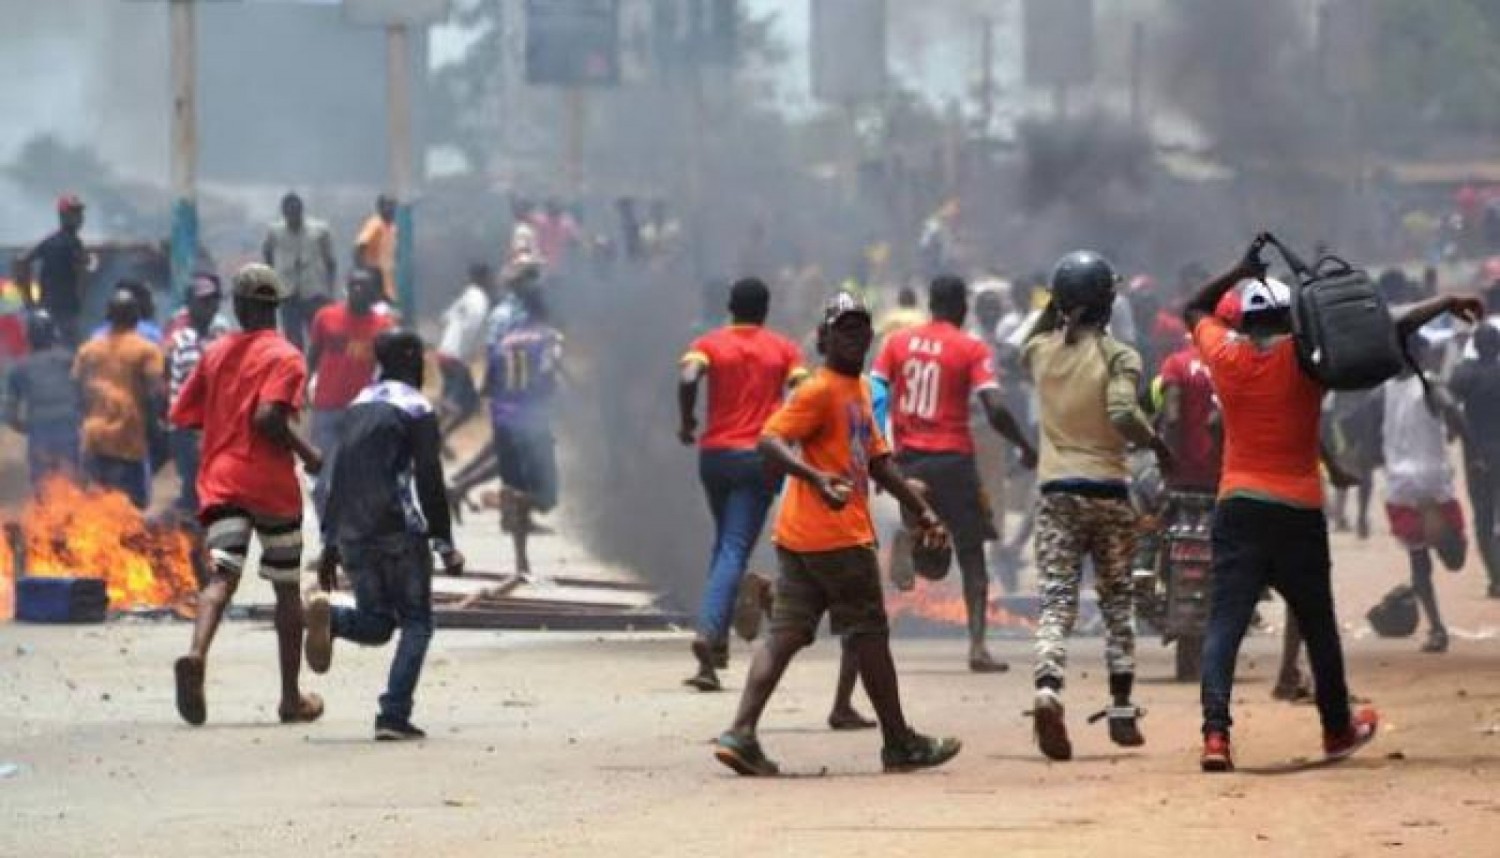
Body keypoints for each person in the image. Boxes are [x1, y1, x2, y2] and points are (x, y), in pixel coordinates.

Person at [1183, 236, 1479, 772]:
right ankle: (1336, 728)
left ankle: (1215, 736)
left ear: (1244, 322)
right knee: (1316, 622)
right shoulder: (1309, 360)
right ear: (1290, 318)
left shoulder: (1223, 354)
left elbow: (1194, 307)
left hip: (1238, 505)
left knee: (1225, 621)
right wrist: (1444, 302)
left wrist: (1237, 269)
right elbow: (1382, 332)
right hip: (1296, 509)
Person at [710, 292, 961, 777]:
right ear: (824, 338)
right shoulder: (818, 390)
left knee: (784, 635)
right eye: (844, 329)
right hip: (837, 539)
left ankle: (740, 733)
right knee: (870, 636)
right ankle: (899, 742)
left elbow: (880, 463)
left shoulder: (862, 390)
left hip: (801, 541)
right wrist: (816, 477)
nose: (855, 337)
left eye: (861, 328)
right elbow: (769, 440)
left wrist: (923, 511)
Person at [1022, 251, 1169, 761]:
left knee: (1057, 601)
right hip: (1107, 490)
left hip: (1057, 493)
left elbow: (1029, 336)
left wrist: (1062, 308)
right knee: (1116, 601)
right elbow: (1124, 411)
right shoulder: (1120, 356)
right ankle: (1122, 709)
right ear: (1108, 303)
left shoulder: (1039, 351)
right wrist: (1157, 445)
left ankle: (1048, 689)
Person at [169, 263, 324, 727]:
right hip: (270, 486)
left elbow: (184, 414)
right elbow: (268, 419)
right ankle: (290, 698)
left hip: (221, 481)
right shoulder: (287, 356)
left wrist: (222, 420)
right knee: (286, 590)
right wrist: (309, 452)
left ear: (237, 307)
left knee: (220, 577)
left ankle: (196, 654)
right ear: (274, 308)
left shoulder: (214, 353)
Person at [305, 330, 465, 741]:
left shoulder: (357, 405)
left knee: (378, 623)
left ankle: (334, 620)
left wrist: (328, 544)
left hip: (353, 532)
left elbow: (334, 475)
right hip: (398, 529)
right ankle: (393, 714)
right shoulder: (415, 408)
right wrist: (444, 543)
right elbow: (429, 477)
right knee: (417, 621)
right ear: (411, 361)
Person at [872, 276, 1037, 673]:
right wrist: (1024, 446)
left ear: (931, 304)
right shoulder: (971, 348)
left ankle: (910, 535)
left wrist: (877, 451)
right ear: (962, 307)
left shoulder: (897, 343)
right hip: (954, 463)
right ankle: (978, 647)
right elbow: (994, 407)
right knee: (970, 554)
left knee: (931, 557)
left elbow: (876, 393)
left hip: (909, 462)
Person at [677, 278, 807, 692]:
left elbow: (687, 376)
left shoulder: (709, 343)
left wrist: (687, 421)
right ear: (766, 309)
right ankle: (708, 632)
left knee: (725, 545)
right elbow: (803, 390)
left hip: (714, 457)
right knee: (734, 547)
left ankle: (714, 652)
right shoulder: (784, 349)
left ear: (730, 307)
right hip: (759, 458)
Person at [1373, 335, 1467, 653]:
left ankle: (1436, 628)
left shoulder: (1383, 389)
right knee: (1455, 559)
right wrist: (1462, 438)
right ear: (1419, 354)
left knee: (1419, 563)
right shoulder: (1429, 383)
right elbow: (1454, 412)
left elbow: (1366, 429)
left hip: (1400, 487)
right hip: (1434, 483)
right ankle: (1433, 620)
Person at [487, 288, 564, 579]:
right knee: (546, 496)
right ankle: (519, 502)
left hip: (503, 418)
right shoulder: (549, 338)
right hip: (532, 421)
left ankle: (522, 563)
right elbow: (549, 374)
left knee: (516, 485)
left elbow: (492, 382)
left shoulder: (505, 340)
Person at [307, 268, 395, 517]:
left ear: (374, 293)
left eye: (364, 286)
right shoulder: (326, 318)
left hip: (362, 414)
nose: (358, 291)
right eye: (353, 285)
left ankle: (355, 541)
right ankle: (329, 541)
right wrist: (300, 388)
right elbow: (312, 356)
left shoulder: (382, 327)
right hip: (326, 410)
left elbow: (389, 368)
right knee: (323, 482)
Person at [72, 289, 164, 509]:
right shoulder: (147, 350)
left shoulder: (88, 349)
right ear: (136, 317)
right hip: (129, 441)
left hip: (94, 439)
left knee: (96, 509)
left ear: (108, 317)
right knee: (133, 508)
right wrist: (156, 429)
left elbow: (76, 389)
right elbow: (155, 393)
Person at [164, 273, 231, 514]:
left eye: (213, 301)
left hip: (213, 427)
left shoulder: (219, 338)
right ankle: (189, 541)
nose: (210, 307)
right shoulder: (181, 341)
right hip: (189, 430)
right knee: (194, 490)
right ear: (190, 305)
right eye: (204, 301)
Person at [1450, 322, 1500, 599]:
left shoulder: (1465, 374)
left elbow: (1446, 403)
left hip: (1476, 456)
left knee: (1483, 518)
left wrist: (1451, 434)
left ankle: (1496, 577)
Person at [6, 311, 81, 489]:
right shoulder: (70, 359)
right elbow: (87, 392)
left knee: (43, 486)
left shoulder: (19, 369)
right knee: (72, 484)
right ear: (54, 334)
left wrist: (26, 427)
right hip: (69, 429)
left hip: (40, 433)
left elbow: (10, 414)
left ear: (29, 338)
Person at [262, 191, 336, 351]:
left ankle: (316, 371)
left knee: (318, 336)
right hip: (288, 292)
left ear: (301, 211)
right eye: (289, 213)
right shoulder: (275, 231)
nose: (293, 217)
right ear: (284, 213)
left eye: (296, 212)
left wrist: (330, 291)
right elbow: (267, 253)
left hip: (314, 291)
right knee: (293, 338)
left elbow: (330, 261)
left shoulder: (319, 230)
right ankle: (297, 371)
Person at [435, 263, 496, 440]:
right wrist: (475, 347)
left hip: (444, 352)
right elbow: (473, 327)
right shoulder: (481, 300)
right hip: (457, 357)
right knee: (457, 404)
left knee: (470, 404)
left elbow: (444, 318)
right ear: (485, 279)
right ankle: (432, 431)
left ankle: (437, 434)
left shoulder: (466, 295)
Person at [21, 195, 89, 346]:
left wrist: (29, 300)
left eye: (79, 213)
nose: (79, 217)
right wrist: (28, 297)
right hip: (65, 310)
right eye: (74, 213)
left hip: (49, 307)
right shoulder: (72, 244)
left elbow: (22, 260)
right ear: (63, 216)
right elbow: (82, 273)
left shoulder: (51, 240)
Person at [354, 194, 398, 303]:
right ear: (380, 207)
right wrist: (363, 272)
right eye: (387, 206)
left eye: (393, 206)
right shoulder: (375, 224)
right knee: (376, 309)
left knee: (386, 312)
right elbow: (360, 245)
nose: (391, 209)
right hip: (373, 275)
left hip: (386, 279)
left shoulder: (392, 228)